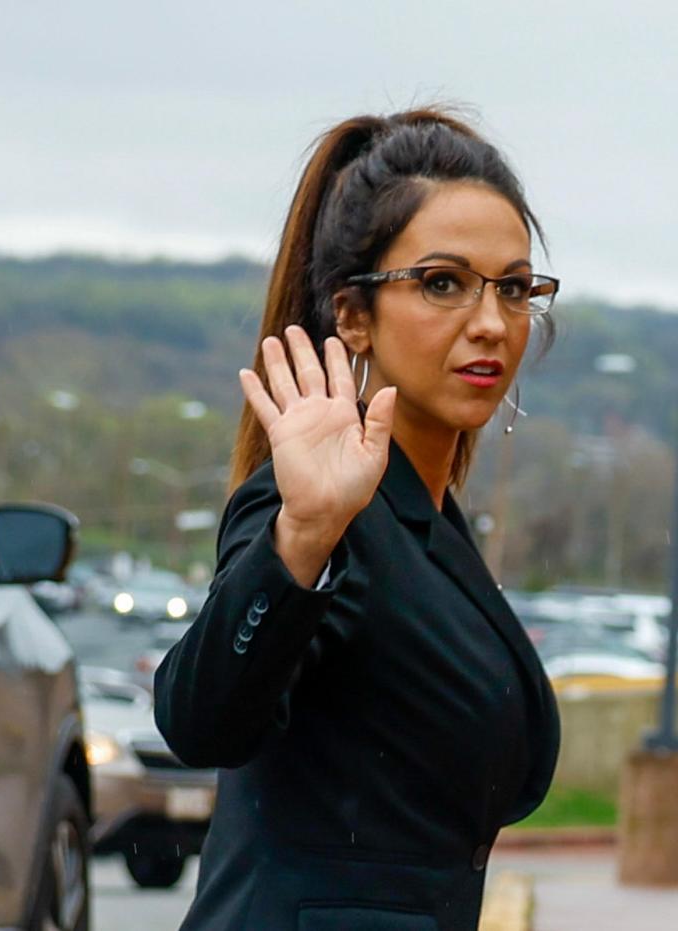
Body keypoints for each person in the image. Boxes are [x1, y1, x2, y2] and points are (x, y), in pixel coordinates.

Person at [154, 108, 561, 931]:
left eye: (514, 288)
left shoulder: (431, 522)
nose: (491, 321)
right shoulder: (314, 509)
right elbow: (201, 719)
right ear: (352, 314)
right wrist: (303, 536)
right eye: (444, 283)